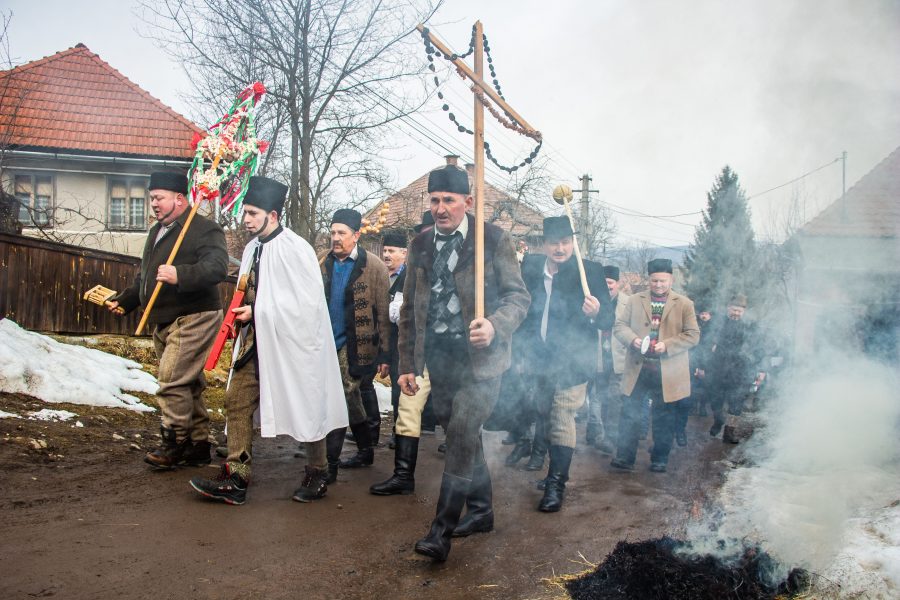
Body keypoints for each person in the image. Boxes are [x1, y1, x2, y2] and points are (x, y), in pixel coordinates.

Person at [397, 164, 529, 561]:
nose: (440, 208)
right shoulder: (419, 245)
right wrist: (407, 362)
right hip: (440, 359)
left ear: (468, 203)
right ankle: (483, 510)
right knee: (462, 434)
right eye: (435, 200)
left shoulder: (493, 240)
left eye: (449, 200)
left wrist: (493, 325)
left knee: (461, 431)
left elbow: (519, 299)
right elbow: (408, 311)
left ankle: (441, 531)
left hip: (482, 360)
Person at [188, 176, 347, 504]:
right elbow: (247, 288)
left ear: (272, 215)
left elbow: (307, 304)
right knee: (236, 398)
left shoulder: (296, 248)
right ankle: (236, 477)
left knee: (307, 404)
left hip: (293, 345)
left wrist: (258, 310)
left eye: (252, 213)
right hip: (255, 342)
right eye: (245, 213)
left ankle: (317, 472)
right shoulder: (251, 249)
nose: (245, 220)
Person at [108, 171, 227, 470]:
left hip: (195, 315)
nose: (153, 204)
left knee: (172, 381)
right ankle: (198, 445)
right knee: (189, 383)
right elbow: (146, 276)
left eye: (158, 198)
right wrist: (128, 299)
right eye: (151, 199)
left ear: (179, 198)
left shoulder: (204, 229)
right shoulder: (156, 232)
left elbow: (217, 268)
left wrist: (180, 274)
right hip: (163, 318)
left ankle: (173, 442)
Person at [515, 216, 612, 512]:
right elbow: (520, 305)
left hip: (573, 359)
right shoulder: (531, 267)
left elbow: (608, 318)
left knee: (561, 415)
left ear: (573, 243)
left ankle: (556, 484)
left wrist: (596, 311)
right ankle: (557, 470)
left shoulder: (589, 271)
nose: (560, 248)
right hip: (539, 356)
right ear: (544, 245)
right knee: (543, 412)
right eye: (554, 243)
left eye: (566, 242)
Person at [611, 258, 699, 473]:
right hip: (639, 368)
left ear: (671, 279)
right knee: (629, 414)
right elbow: (620, 326)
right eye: (654, 281)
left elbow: (693, 335)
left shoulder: (685, 303)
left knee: (664, 417)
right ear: (648, 280)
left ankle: (659, 458)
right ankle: (625, 457)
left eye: (662, 281)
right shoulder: (634, 300)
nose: (658, 285)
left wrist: (667, 346)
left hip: (667, 371)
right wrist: (633, 340)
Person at [321, 209, 390, 482]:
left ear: (356, 236)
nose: (335, 238)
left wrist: (385, 353)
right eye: (333, 232)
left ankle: (330, 463)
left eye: (342, 233)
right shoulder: (322, 262)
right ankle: (365, 447)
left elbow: (383, 313)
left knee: (343, 393)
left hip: (357, 344)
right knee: (350, 397)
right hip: (325, 340)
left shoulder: (374, 267)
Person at [706, 294, 766, 443]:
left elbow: (758, 348)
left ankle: (729, 433)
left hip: (740, 371)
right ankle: (718, 421)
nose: (736, 313)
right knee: (716, 401)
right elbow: (707, 340)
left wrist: (761, 369)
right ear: (728, 308)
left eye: (739, 311)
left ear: (743, 311)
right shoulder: (718, 323)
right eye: (734, 310)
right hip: (718, 370)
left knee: (736, 404)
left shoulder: (750, 326)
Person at [587, 265, 628, 454]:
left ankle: (611, 437)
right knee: (597, 397)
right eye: (604, 283)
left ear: (618, 284)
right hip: (598, 358)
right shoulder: (592, 301)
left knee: (615, 399)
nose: (607, 287)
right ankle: (598, 433)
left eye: (610, 283)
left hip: (619, 358)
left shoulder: (628, 303)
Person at [382, 229, 408, 449]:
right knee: (392, 387)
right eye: (384, 251)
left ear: (404, 253)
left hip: (403, 342)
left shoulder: (408, 278)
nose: (386, 255)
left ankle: (400, 432)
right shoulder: (381, 276)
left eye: (391, 251)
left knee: (400, 388)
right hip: (385, 341)